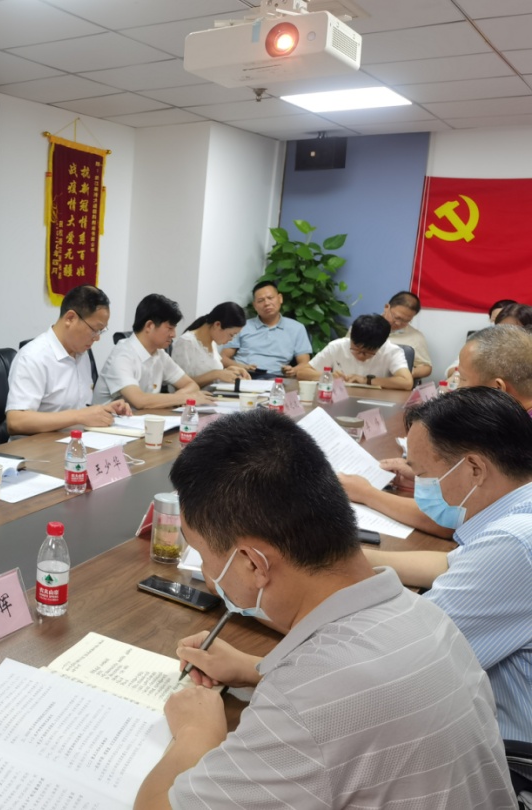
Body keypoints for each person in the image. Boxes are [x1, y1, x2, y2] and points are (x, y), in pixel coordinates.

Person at [133, 408, 515, 810]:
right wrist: (257, 670)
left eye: (202, 554)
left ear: (252, 564)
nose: (209, 574)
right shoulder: (423, 615)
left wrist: (196, 732)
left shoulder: (308, 701)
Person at [353, 388, 532, 790]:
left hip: (510, 760)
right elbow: (448, 564)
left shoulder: (514, 544)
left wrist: (255, 666)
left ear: (474, 468)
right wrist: (341, 559)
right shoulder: (520, 511)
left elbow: (399, 656)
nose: (419, 485)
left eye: (422, 474)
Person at [343, 325, 532, 523]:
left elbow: (456, 517)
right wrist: (428, 476)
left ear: (497, 389)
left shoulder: (514, 436)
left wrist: (366, 493)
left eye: (462, 379)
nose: (455, 389)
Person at [5, 285, 131, 435]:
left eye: (101, 331)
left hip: (75, 441)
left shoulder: (81, 353)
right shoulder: (33, 357)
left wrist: (103, 411)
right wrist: (79, 416)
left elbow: (78, 410)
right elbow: (16, 421)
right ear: (70, 318)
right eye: (95, 330)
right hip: (38, 446)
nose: (97, 338)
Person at [93, 294, 212, 408]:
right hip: (109, 421)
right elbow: (139, 400)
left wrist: (178, 397)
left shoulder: (160, 354)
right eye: (170, 328)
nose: (174, 335)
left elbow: (192, 385)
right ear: (149, 326)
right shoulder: (122, 355)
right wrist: (184, 398)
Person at [294, 313, 413, 390]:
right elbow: (302, 373)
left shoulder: (392, 351)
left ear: (381, 345)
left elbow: (407, 382)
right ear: (351, 337)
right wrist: (328, 376)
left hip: (376, 402)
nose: (360, 356)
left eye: (368, 352)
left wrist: (366, 380)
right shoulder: (337, 346)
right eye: (356, 349)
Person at [219, 281, 311, 378]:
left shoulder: (297, 328)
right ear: (255, 305)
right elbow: (223, 358)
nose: (266, 303)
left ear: (280, 298)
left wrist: (293, 370)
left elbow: (305, 363)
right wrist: (242, 367)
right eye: (260, 300)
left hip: (275, 378)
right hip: (243, 375)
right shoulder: (242, 327)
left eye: (270, 298)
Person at [170, 301, 251, 386]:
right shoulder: (186, 342)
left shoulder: (212, 342)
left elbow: (211, 375)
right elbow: (180, 384)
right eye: (231, 335)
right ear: (217, 325)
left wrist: (228, 371)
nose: (231, 339)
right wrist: (216, 374)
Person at [382, 290, 432, 379]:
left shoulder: (416, 337)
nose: (398, 323)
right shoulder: (365, 326)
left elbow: (426, 367)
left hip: (394, 384)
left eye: (406, 321)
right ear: (387, 307)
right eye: (397, 317)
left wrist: (406, 373)